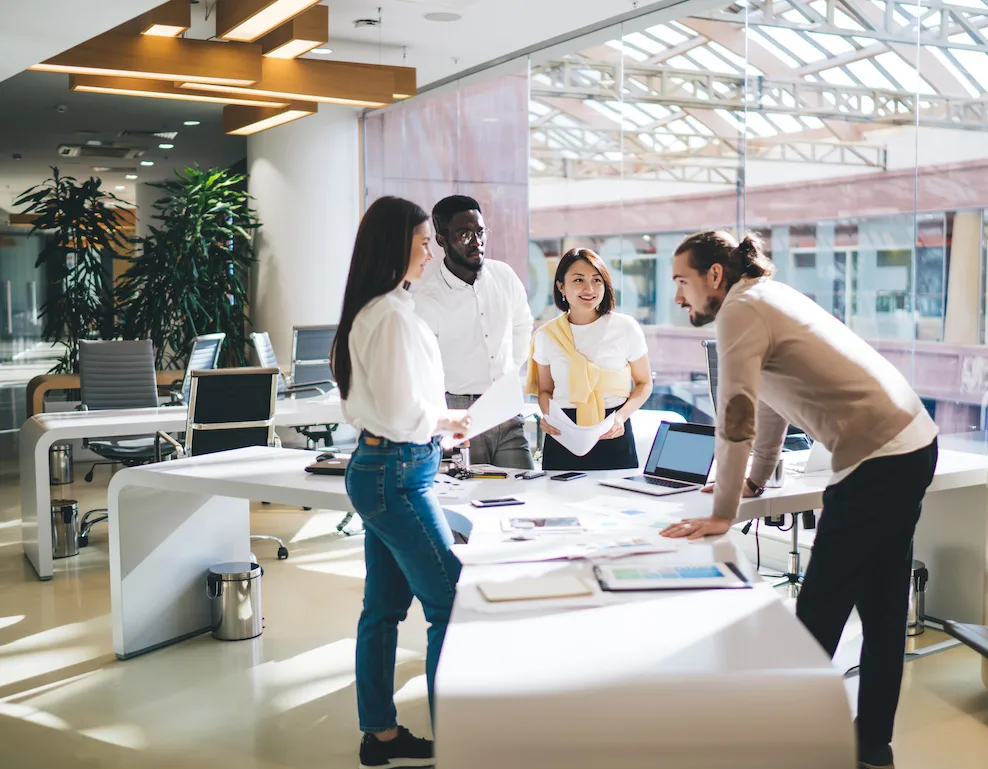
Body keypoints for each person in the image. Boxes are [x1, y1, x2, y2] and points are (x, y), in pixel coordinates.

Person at [660, 230, 938, 769]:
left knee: (816, 616)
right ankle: (872, 746)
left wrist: (723, 513)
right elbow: (769, 405)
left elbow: (736, 411)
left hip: (879, 459)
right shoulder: (765, 297)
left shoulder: (741, 310)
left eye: (682, 283)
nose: (678, 298)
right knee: (882, 613)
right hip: (908, 446)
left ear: (714, 276)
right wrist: (753, 483)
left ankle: (782, 745)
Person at [331, 196, 472, 769]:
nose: (430, 252)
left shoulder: (385, 308)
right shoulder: (387, 315)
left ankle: (380, 735)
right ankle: (460, 741)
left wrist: (438, 423)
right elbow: (397, 408)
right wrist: (446, 420)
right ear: (395, 248)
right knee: (451, 602)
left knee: (383, 609)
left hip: (388, 469)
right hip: (397, 473)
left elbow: (395, 403)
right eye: (422, 242)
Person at [414, 195, 535, 469]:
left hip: (506, 407)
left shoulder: (504, 276)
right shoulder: (427, 300)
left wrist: (510, 370)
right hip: (458, 411)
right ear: (442, 239)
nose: (476, 242)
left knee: (525, 490)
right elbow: (424, 370)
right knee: (470, 498)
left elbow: (522, 325)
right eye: (465, 234)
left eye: (480, 232)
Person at [526, 247, 653, 470]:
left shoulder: (625, 328)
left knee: (616, 502)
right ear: (561, 286)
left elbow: (644, 384)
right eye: (578, 280)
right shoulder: (547, 335)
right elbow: (545, 391)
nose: (589, 288)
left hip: (613, 431)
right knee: (557, 502)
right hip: (564, 433)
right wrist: (549, 417)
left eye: (597, 280)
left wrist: (620, 418)